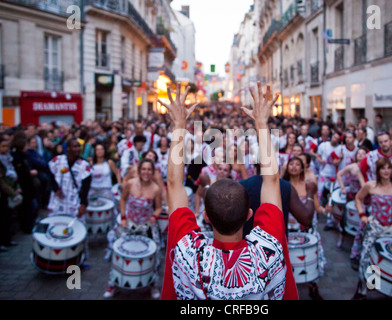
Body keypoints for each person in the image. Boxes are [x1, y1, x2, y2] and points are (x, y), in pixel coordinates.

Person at [161, 82, 298, 300]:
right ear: (249, 215)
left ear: (205, 218)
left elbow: (174, 183)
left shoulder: (188, 252)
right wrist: (262, 122)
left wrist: (179, 125)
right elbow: (271, 180)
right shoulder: (268, 248)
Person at [352, 157, 392, 300]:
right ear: (378, 171)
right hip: (375, 227)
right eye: (382, 168)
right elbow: (358, 198)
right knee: (366, 258)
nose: (386, 171)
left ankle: (387, 289)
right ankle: (363, 290)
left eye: (388, 168)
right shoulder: (370, 185)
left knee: (390, 260)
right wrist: (362, 214)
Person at [104, 158, 163, 299]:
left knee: (153, 254)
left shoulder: (156, 189)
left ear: (153, 171)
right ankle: (113, 284)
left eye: (149, 169)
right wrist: (123, 217)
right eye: (144, 169)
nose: (146, 172)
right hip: (129, 223)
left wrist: (155, 216)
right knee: (118, 252)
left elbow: (159, 208)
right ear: (139, 170)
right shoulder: (130, 184)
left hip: (147, 225)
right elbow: (123, 199)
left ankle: (152, 284)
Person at [283, 156, 328, 300]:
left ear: (302, 168)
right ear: (287, 167)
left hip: (307, 231)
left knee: (311, 259)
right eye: (291, 164)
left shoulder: (308, 185)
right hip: (289, 231)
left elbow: (317, 207)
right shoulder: (282, 186)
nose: (294, 166)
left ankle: (314, 289)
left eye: (298, 164)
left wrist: (326, 210)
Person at [47, 138, 91, 219]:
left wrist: (83, 203)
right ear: (68, 148)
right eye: (75, 146)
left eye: (79, 146)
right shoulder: (58, 160)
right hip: (58, 200)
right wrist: (55, 188)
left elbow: (86, 187)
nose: (78, 149)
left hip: (74, 201)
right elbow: (50, 175)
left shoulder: (84, 165)